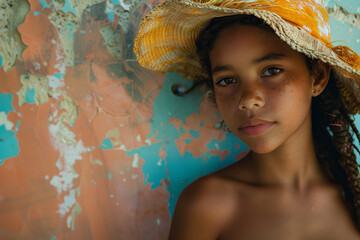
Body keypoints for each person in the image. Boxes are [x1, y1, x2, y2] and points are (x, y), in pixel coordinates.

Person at [134, 0, 360, 239]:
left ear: (317, 77)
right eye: (227, 80)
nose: (248, 99)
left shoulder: (352, 198)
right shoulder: (207, 206)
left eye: (271, 71)